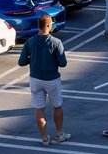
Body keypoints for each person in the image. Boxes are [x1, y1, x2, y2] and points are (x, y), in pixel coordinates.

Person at [18, 12, 70, 146]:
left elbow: (21, 62)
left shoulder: (30, 42)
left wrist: (33, 59)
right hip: (52, 79)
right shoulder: (56, 42)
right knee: (57, 106)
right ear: (48, 26)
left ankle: (45, 138)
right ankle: (59, 134)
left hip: (35, 79)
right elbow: (63, 63)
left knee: (39, 109)